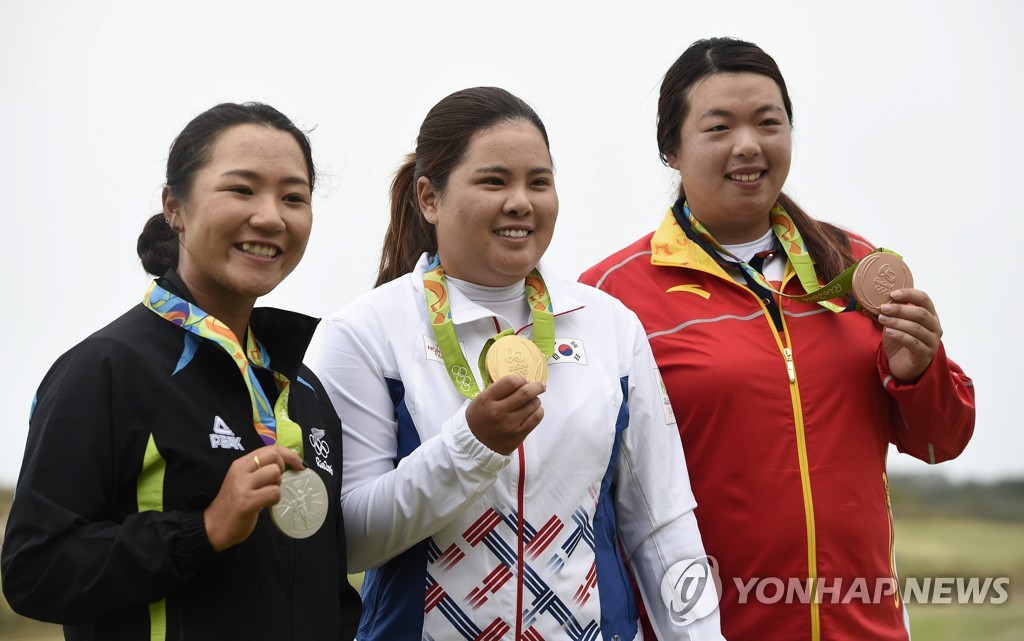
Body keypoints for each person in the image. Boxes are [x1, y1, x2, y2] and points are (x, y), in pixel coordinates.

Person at [580, 37, 976, 641]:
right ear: (671, 149)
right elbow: (583, 487)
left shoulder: (856, 266)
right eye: (719, 126)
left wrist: (918, 371)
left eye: (769, 122)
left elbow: (940, 441)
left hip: (865, 626)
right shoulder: (611, 295)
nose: (749, 145)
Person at [305, 87, 725, 640]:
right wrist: (471, 445)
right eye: (494, 180)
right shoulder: (362, 334)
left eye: (539, 182)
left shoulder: (609, 326)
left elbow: (663, 524)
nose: (521, 202)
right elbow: (349, 537)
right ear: (429, 198)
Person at [1, 102, 361, 640]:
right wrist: (205, 528)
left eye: (294, 197)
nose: (270, 216)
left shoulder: (305, 390)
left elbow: (325, 595)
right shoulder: (107, 369)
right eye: (241, 189)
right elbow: (35, 572)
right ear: (176, 207)